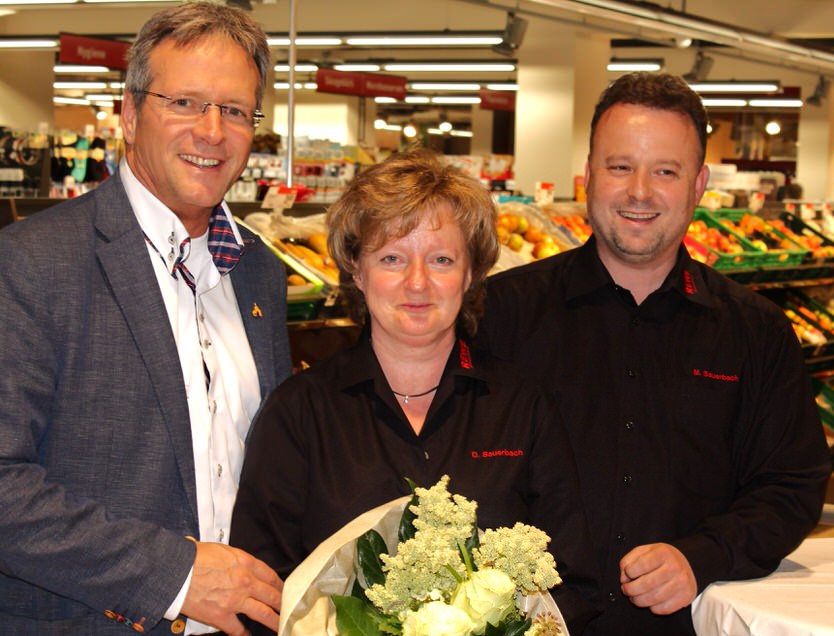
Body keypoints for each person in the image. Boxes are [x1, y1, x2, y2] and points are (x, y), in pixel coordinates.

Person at [475, 72, 832, 635]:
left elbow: (792, 486)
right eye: (620, 167)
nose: (640, 191)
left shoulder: (754, 332)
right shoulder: (498, 315)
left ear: (699, 184)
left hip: (688, 624)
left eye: (666, 171)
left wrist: (703, 555)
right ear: (588, 175)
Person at [0, 3, 292, 634]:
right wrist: (176, 575)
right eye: (184, 102)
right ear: (130, 116)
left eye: (236, 110)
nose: (212, 130)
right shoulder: (31, 264)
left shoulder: (259, 271)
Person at [231, 148, 599, 633]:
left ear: (471, 273)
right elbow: (263, 589)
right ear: (356, 270)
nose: (418, 283)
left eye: (442, 259)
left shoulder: (522, 406)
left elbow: (571, 577)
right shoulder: (300, 413)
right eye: (392, 258)